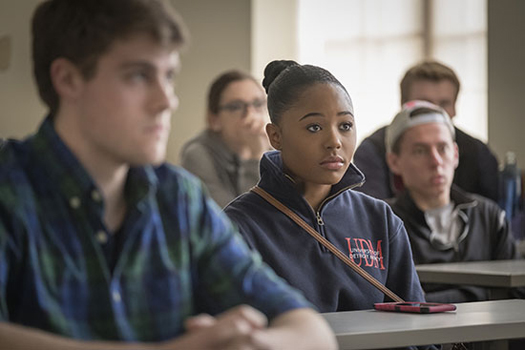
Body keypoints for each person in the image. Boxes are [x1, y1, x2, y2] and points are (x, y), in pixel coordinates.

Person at [0, 1, 337, 349]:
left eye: (169, 76)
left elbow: (310, 329)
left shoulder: (178, 198)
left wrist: (254, 345)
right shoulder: (10, 190)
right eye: (138, 75)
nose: (167, 100)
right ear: (68, 80)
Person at [224, 60, 427, 314]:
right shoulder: (239, 227)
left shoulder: (380, 219)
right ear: (275, 136)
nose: (334, 141)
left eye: (345, 126)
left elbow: (417, 324)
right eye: (314, 127)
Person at [384, 100, 518, 303]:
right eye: (420, 151)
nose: (436, 161)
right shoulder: (384, 222)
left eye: (443, 148)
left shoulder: (489, 216)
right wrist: (481, 294)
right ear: (394, 162)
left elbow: (517, 292)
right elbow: (392, 302)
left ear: (455, 154)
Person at [353, 60, 500, 202]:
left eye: (444, 104)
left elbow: (498, 212)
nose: (435, 113)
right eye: (425, 104)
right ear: (403, 105)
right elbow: (371, 216)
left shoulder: (478, 152)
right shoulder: (372, 150)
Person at [180, 70, 271, 207]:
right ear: (214, 120)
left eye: (258, 104)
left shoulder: (274, 146)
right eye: (236, 107)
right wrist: (256, 158)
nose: (250, 115)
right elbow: (236, 220)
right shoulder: (198, 155)